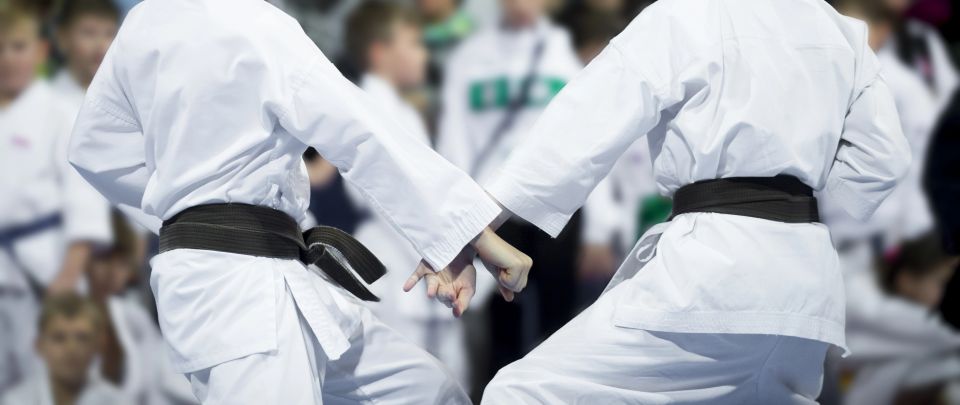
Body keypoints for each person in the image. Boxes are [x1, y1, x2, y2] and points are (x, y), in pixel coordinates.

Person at [432, 0, 912, 402]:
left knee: (524, 392)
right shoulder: (842, 32)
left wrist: (472, 227)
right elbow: (882, 164)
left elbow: (584, 123)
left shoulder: (685, 14)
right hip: (808, 287)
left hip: (713, 274)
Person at [66, 0, 531, 404]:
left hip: (265, 276)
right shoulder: (257, 23)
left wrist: (185, 206)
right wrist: (469, 233)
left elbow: (94, 148)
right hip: (242, 295)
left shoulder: (144, 23)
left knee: (428, 392)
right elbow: (360, 132)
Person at [435, 0, 592, 379]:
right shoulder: (470, 57)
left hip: (557, 207)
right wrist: (458, 215)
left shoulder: (562, 51)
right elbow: (453, 141)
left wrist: (601, 228)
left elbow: (587, 140)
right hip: (492, 207)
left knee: (560, 321)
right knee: (501, 320)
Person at [342, 1, 471, 388]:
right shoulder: (370, 107)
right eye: (413, 44)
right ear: (380, 52)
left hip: (419, 261)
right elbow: (388, 198)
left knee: (443, 382)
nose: (423, 55)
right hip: (398, 268)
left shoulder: (401, 109)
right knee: (415, 385)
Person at [0, 0, 112, 393]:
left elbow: (84, 200)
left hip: (46, 269)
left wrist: (70, 273)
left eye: (17, 46)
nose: (8, 59)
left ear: (41, 51)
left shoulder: (60, 111)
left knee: (56, 384)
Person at [87, 212, 197, 405]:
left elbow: (159, 378)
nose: (111, 272)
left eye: (121, 263)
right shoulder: (65, 315)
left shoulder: (132, 317)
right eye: (103, 259)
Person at [0, 293, 130, 405]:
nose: (71, 349)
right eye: (59, 338)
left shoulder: (117, 402)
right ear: (39, 345)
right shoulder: (16, 402)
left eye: (82, 338)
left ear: (98, 346)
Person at [52, 0, 120, 118]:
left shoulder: (125, 99)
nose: (101, 46)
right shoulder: (50, 102)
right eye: (89, 33)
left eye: (110, 33)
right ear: (62, 37)